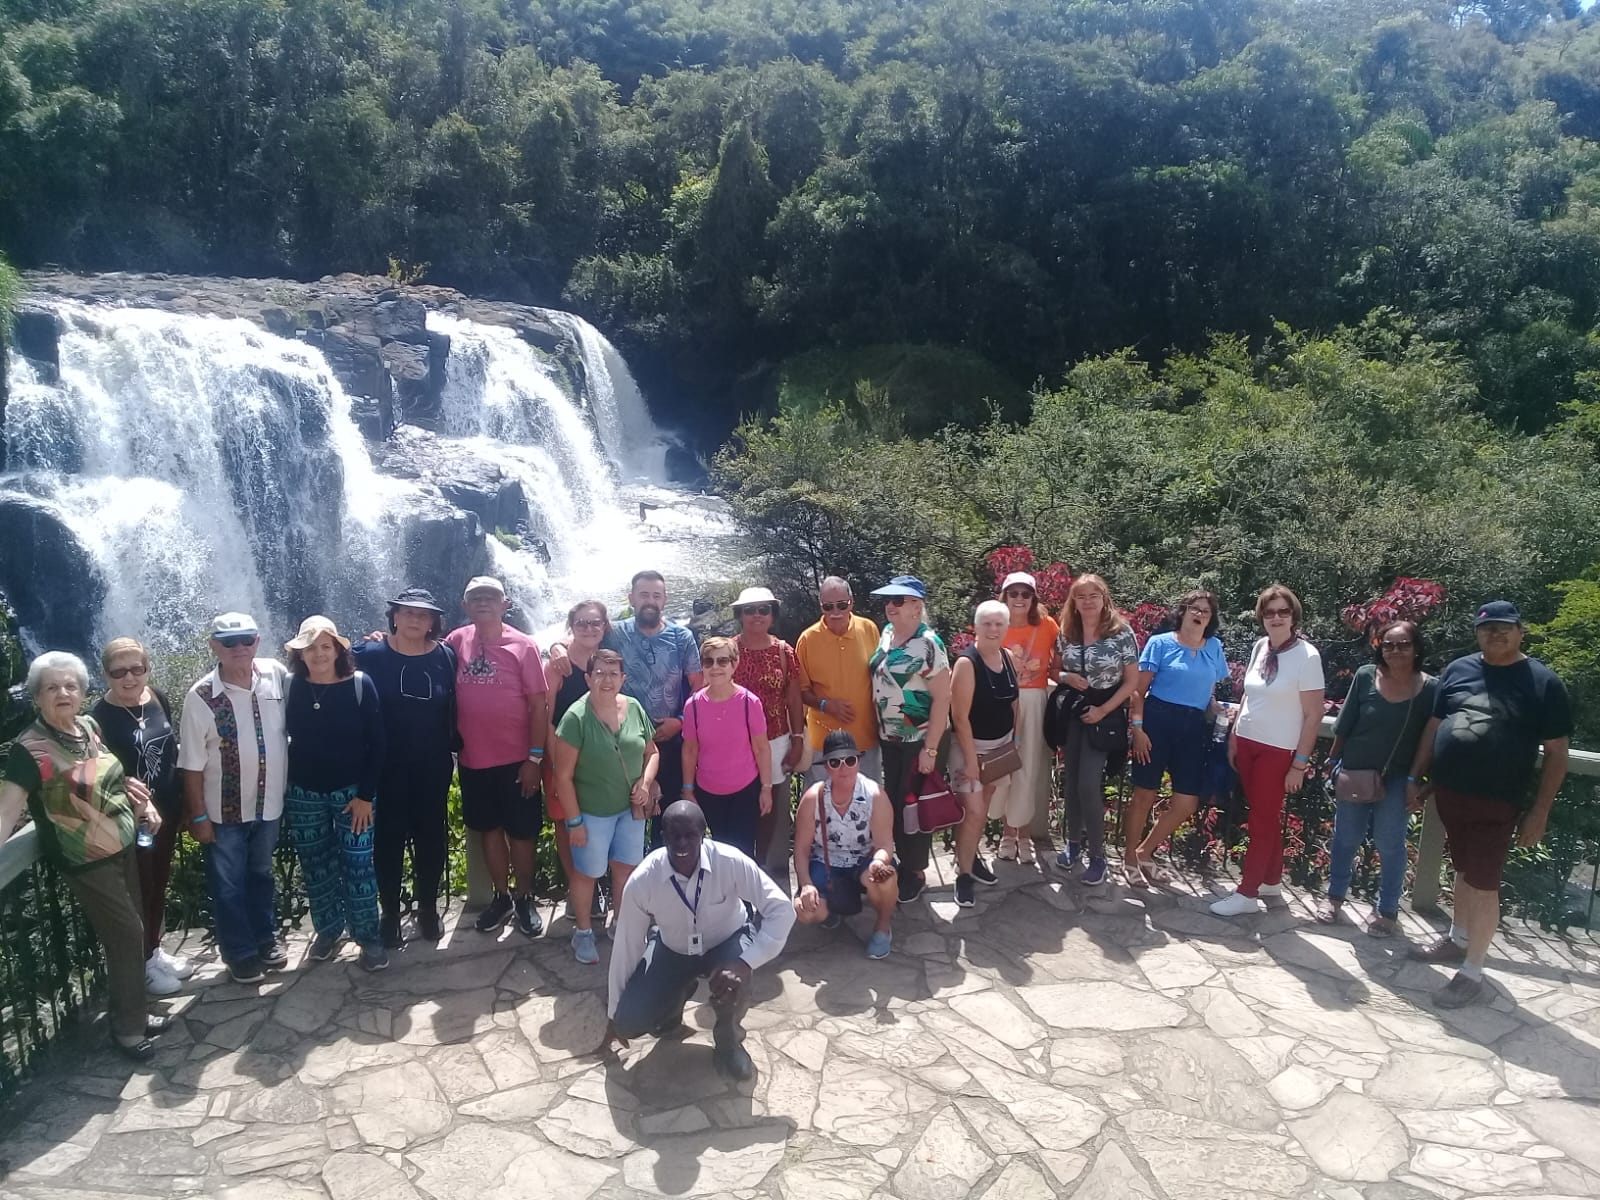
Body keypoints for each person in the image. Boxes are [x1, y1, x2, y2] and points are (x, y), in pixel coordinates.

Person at [0, 653, 173, 1060]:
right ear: (37, 696)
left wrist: (143, 803)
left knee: (132, 932)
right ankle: (127, 1030)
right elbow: (8, 810)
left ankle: (134, 1012)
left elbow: (110, 776)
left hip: (123, 841)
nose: (63, 693)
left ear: (81, 692)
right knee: (127, 934)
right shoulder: (30, 751)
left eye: (71, 686)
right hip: (84, 858)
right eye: (52, 687)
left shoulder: (87, 727)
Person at [1405, 600, 1571, 1008]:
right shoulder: (1459, 669)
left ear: (1520, 631)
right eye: (1487, 628)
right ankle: (1457, 940)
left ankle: (1472, 971)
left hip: (1498, 801)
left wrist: (1540, 810)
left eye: (1504, 627)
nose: (1496, 634)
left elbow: (1557, 752)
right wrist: (1416, 776)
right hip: (1451, 794)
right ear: (1477, 632)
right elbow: (1434, 725)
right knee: (1463, 870)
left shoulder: (1543, 683)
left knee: (1483, 884)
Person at [605, 800, 796, 1080]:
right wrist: (614, 1015)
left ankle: (729, 1042)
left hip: (727, 944)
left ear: (703, 834)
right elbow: (626, 946)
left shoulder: (730, 861)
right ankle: (671, 1012)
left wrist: (745, 962)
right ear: (662, 836)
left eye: (690, 835)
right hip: (673, 949)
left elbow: (782, 910)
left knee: (735, 983)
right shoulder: (644, 880)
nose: (682, 843)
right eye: (674, 835)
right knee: (629, 1022)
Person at [178, 613, 292, 985]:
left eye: (246, 640)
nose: (239, 648)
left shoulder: (274, 674)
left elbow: (320, 674)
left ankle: (265, 940)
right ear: (214, 646)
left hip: (269, 804)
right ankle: (239, 953)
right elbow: (191, 765)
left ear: (258, 641)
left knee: (261, 876)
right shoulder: (200, 698)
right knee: (228, 885)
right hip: (223, 811)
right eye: (229, 642)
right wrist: (197, 817)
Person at [1317, 620, 1437, 936]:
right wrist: (1333, 760)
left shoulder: (1430, 688)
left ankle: (1387, 910)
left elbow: (1429, 738)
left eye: (1403, 644)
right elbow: (1345, 724)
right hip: (1355, 769)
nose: (1395, 650)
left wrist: (1417, 780)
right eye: (1388, 644)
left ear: (1417, 648)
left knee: (1390, 842)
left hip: (1398, 777)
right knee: (1346, 837)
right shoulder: (1366, 676)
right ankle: (1334, 898)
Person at [555, 572, 702, 831]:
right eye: (643, 595)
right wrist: (556, 646)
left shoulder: (682, 637)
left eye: (656, 596)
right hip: (624, 741)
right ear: (631, 598)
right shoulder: (616, 634)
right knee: (624, 813)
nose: (650, 601)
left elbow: (698, 686)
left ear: (665, 600)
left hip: (671, 739)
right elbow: (582, 638)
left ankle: (665, 866)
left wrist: (679, 722)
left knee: (668, 816)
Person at [1212, 586, 1326, 917]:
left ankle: (1247, 893)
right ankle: (1272, 880)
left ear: (1294, 615)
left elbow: (1314, 714)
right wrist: (1235, 734)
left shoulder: (1308, 656)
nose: (1276, 618)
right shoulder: (1261, 646)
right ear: (1262, 616)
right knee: (1264, 815)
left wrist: (1299, 765)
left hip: (1277, 750)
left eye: (1283, 612)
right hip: (1246, 741)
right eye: (1269, 612)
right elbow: (1249, 694)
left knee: (1261, 821)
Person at [446, 576, 550, 938]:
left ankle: (524, 897)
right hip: (473, 760)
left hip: (517, 760)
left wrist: (535, 760)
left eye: (491, 597)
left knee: (522, 833)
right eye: (475, 597)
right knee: (488, 830)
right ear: (465, 605)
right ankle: (501, 897)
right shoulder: (456, 640)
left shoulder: (523, 646)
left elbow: (539, 705)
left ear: (505, 605)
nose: (483, 602)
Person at [352, 587, 457, 947]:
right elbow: (318, 664)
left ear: (433, 622)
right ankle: (391, 915)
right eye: (407, 612)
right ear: (394, 616)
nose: (415, 619)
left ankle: (427, 909)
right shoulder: (368, 654)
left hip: (433, 766)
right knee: (388, 842)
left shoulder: (446, 656)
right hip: (386, 768)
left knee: (431, 839)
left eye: (423, 614)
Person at [282, 616, 388, 970]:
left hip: (352, 796)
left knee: (359, 866)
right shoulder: (291, 686)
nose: (318, 654)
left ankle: (368, 937)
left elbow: (378, 745)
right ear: (301, 654)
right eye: (310, 648)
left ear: (338, 650)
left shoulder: (359, 684)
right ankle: (328, 931)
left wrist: (366, 796)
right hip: (303, 793)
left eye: (325, 646)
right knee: (316, 866)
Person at [92, 637, 193, 994]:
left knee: (158, 883)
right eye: (119, 671)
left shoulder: (158, 698)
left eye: (138, 669)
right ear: (105, 674)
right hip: (132, 822)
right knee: (141, 888)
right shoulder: (97, 719)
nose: (130, 678)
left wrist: (184, 804)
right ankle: (143, 964)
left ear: (148, 668)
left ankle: (153, 951)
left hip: (165, 815)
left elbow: (170, 752)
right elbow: (96, 774)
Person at [551, 649, 659, 965]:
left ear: (624, 678)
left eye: (613, 673)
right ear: (587, 678)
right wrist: (574, 822)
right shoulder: (575, 718)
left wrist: (645, 783)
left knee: (626, 869)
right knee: (588, 873)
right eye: (599, 673)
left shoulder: (635, 708)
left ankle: (621, 925)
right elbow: (563, 776)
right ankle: (583, 933)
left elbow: (652, 753)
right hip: (593, 813)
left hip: (631, 810)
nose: (606, 679)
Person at [1125, 590, 1230, 888]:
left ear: (1211, 618)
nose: (1199, 614)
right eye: (1194, 608)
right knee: (1144, 794)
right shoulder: (1160, 643)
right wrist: (1138, 729)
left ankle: (1146, 851)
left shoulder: (1215, 648)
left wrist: (1217, 708)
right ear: (1182, 612)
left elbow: (1208, 693)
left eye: (1205, 611)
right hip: (1157, 722)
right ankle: (1130, 859)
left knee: (1186, 802)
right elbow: (1139, 691)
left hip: (1193, 728)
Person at [869, 575, 952, 904]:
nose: (891, 606)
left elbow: (942, 700)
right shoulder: (887, 634)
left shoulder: (929, 643)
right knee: (895, 802)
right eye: (888, 600)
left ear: (917, 606)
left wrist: (930, 749)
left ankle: (916, 871)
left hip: (919, 739)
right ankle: (901, 861)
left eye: (899, 601)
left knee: (913, 806)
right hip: (890, 738)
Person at [1054, 575, 1141, 886]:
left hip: (1105, 715)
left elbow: (1132, 681)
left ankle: (1098, 856)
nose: (1088, 601)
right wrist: (1066, 676)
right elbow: (1054, 668)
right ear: (1073, 602)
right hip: (1075, 714)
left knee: (1089, 784)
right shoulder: (1067, 631)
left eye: (1094, 595)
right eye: (1081, 596)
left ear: (1104, 598)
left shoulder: (1121, 633)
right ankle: (1073, 845)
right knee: (1073, 781)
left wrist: (1104, 710)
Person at [793, 731, 900, 957]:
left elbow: (884, 844)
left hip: (863, 859)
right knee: (807, 913)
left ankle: (883, 927)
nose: (844, 767)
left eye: (849, 760)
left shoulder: (875, 795)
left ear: (858, 762)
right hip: (826, 862)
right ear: (827, 767)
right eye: (835, 762)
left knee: (884, 880)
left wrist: (878, 863)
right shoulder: (814, 797)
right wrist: (805, 884)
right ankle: (831, 909)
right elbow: (801, 850)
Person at [730, 586, 805, 883]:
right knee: (739, 805)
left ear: (773, 614)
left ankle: (758, 868)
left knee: (768, 807)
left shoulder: (785, 652)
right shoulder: (728, 651)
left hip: (775, 739)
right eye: (750, 610)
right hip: (736, 743)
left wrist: (798, 740)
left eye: (764, 609)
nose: (757, 616)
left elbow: (794, 699)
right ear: (740, 615)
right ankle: (739, 865)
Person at [543, 599, 613, 915]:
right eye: (581, 623)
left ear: (604, 627)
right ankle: (577, 888)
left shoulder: (609, 661)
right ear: (572, 626)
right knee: (566, 821)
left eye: (594, 623)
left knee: (601, 818)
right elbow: (546, 716)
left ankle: (600, 884)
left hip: (599, 757)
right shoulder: (558, 665)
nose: (588, 628)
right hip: (562, 756)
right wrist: (555, 762)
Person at [947, 600, 1015, 906]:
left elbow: (1015, 702)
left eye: (999, 623)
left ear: (1006, 627)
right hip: (970, 748)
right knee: (972, 812)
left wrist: (1014, 741)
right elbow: (959, 717)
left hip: (1000, 745)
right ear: (976, 627)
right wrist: (972, 761)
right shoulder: (966, 663)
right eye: (987, 623)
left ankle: (971, 859)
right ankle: (963, 875)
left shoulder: (1008, 657)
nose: (993, 629)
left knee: (982, 808)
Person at [682, 637, 772, 858]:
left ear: (734, 664)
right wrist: (687, 789)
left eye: (723, 661)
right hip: (708, 791)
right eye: (708, 661)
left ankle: (745, 893)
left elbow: (761, 748)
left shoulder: (749, 702)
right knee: (719, 850)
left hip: (745, 789)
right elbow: (690, 750)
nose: (715, 667)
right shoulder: (692, 706)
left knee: (742, 852)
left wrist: (766, 788)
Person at [997, 571, 1060, 862]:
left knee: (1028, 766)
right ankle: (1007, 832)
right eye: (1014, 593)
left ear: (1033, 597)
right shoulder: (995, 624)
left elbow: (1059, 664)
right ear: (1005, 596)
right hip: (1002, 701)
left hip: (1034, 700)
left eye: (1025, 594)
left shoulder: (1047, 625)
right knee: (1002, 767)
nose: (1019, 599)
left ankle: (1022, 834)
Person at [796, 576, 882, 786]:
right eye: (828, 606)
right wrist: (825, 705)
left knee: (868, 806)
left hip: (866, 740)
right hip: (823, 746)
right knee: (822, 809)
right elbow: (800, 691)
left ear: (851, 602)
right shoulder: (807, 640)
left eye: (842, 605)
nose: (835, 613)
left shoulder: (869, 629)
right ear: (821, 606)